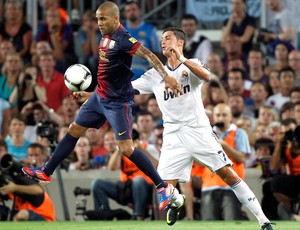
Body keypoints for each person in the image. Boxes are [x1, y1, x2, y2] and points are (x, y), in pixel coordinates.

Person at [22, 1, 182, 212]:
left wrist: (167, 77)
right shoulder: (105, 36)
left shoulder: (124, 39)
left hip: (117, 103)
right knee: (73, 130)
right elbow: (108, 72)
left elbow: (151, 56)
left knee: (126, 148)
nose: (99, 22)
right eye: (98, 18)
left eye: (103, 18)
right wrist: (91, 93)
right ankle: (46, 171)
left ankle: (163, 187)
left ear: (116, 18)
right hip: (99, 96)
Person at [130, 27, 273, 229]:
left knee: (228, 174)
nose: (163, 42)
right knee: (163, 189)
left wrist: (181, 58)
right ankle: (177, 201)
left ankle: (263, 220)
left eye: (168, 38)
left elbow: (207, 76)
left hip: (199, 131)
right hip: (173, 137)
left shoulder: (193, 65)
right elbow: (127, 89)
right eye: (161, 39)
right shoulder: (155, 75)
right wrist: (92, 96)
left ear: (180, 42)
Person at [0, 141, 55, 221]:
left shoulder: (23, 175)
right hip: (21, 212)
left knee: (23, 214)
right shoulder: (7, 177)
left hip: (43, 216)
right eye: (31, 155)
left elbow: (38, 190)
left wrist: (15, 188)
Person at [123, 0, 161, 80]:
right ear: (125, 14)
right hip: (124, 72)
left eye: (134, 9)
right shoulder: (120, 31)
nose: (131, 12)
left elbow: (158, 53)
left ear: (140, 11)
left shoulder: (150, 29)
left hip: (145, 72)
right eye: (128, 11)